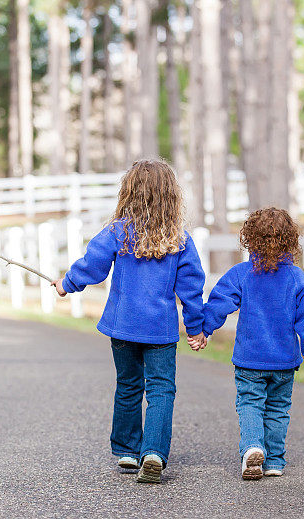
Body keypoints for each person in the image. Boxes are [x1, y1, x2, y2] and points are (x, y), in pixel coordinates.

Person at [52, 159, 206, 483]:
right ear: (171, 196)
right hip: (160, 330)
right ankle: (153, 452)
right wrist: (195, 328)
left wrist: (67, 284)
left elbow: (92, 264)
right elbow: (191, 290)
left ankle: (126, 449)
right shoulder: (179, 240)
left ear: (129, 192)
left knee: (128, 384)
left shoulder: (118, 232)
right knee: (162, 388)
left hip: (123, 326)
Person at [195, 207, 304, 480]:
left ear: (250, 239)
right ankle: (275, 461)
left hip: (249, 359)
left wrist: (204, 329)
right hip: (284, 361)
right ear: (291, 241)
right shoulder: (299, 280)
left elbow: (219, 304)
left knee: (251, 403)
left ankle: (253, 447)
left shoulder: (241, 274)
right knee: (278, 409)